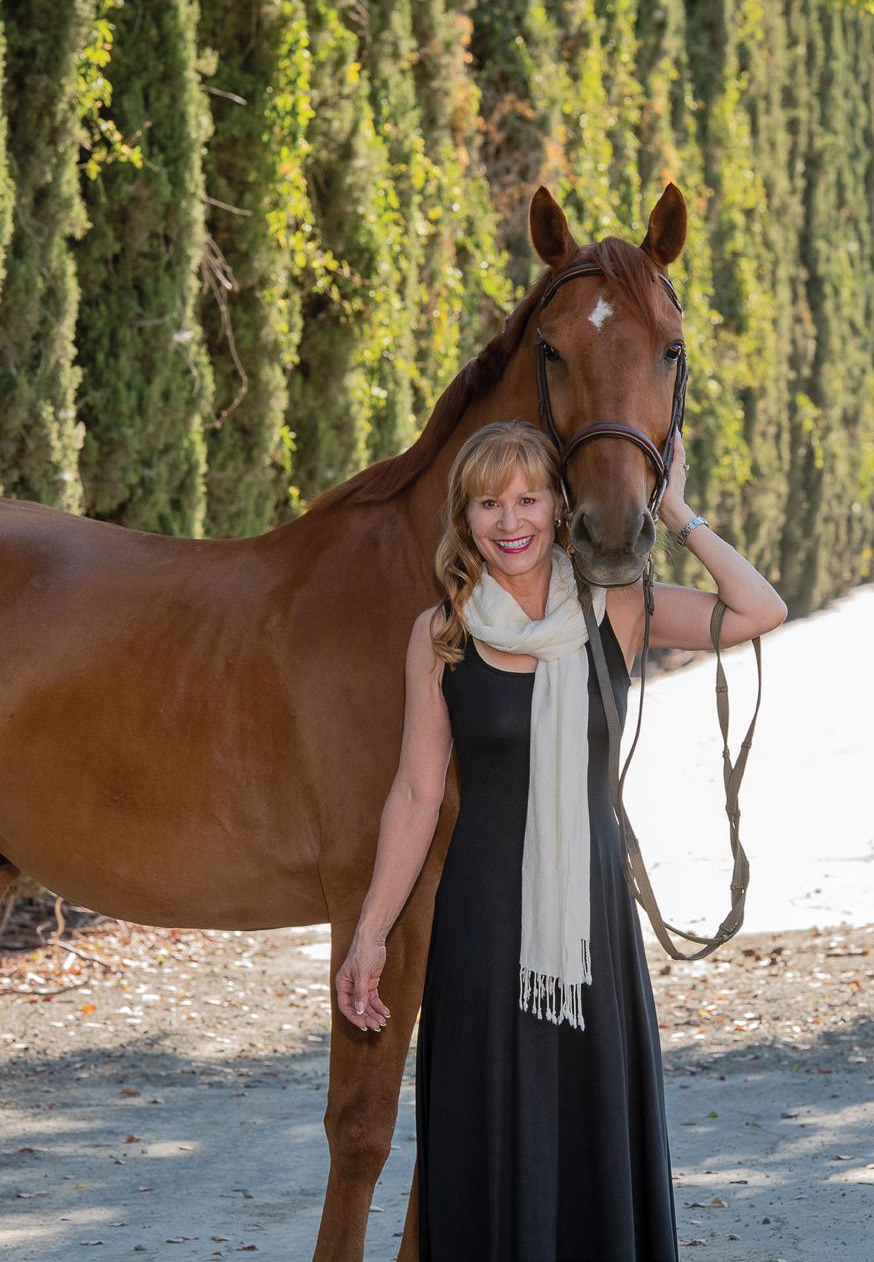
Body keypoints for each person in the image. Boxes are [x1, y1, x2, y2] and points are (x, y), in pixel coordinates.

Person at [336, 419, 788, 1260]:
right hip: (481, 918)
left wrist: (675, 511)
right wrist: (370, 932)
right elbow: (416, 792)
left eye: (527, 499)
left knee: (588, 1125)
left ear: (559, 507)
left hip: (589, 918)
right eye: (487, 503)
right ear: (464, 517)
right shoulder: (441, 632)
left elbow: (758, 607)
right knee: (484, 1122)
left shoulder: (617, 606)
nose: (509, 521)